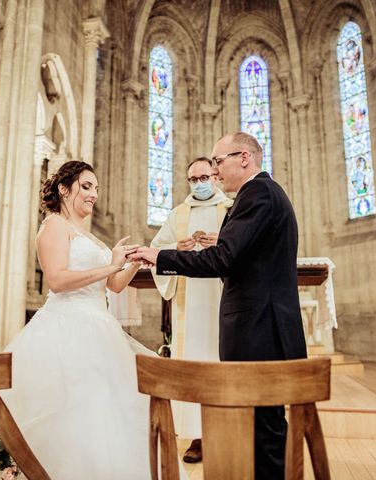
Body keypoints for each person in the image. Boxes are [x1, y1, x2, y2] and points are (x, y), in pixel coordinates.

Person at [0, 161, 184, 479]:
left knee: (103, 411)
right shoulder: (53, 225)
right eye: (86, 186)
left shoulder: (89, 236)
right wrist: (111, 266)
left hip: (100, 326)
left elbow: (114, 286)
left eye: (96, 188)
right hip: (65, 327)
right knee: (64, 409)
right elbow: (57, 280)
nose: (94, 194)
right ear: (63, 189)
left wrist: (134, 262)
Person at [131, 132, 307, 479]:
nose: (215, 170)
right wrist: (223, 242)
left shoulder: (257, 192)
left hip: (259, 332)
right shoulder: (264, 193)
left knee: (264, 429)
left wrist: (159, 256)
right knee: (262, 426)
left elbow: (222, 260)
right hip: (261, 329)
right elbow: (241, 254)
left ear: (244, 157)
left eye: (218, 161)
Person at [150, 157, 231, 463]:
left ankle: (226, 428)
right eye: (193, 179)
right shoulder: (178, 214)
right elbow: (156, 252)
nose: (199, 183)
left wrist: (222, 243)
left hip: (225, 300)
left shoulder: (232, 208)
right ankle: (197, 434)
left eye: (204, 177)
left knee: (223, 361)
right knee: (195, 362)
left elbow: (246, 248)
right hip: (190, 302)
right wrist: (177, 250)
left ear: (215, 176)